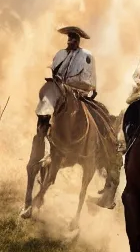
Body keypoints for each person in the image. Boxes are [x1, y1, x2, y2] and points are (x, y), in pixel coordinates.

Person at [28, 27, 120, 211]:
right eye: (69, 39)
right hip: (60, 93)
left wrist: (72, 87)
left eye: (74, 39)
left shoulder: (86, 56)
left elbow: (88, 81)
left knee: (100, 114)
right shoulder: (61, 54)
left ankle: (108, 149)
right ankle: (40, 147)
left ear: (79, 41)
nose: (70, 41)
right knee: (45, 114)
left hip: (79, 95)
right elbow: (54, 74)